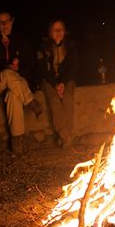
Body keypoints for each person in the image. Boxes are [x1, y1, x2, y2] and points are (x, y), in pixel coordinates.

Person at [0, 9, 43, 153]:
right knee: (7, 74)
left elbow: (30, 63)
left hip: (16, 84)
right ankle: (31, 101)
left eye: (5, 22)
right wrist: (4, 67)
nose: (3, 25)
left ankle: (17, 142)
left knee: (13, 96)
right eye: (0, 23)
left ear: (12, 21)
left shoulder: (21, 39)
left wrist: (17, 71)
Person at [34, 19, 79, 148]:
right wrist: (55, 84)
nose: (59, 32)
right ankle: (66, 136)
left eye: (61, 29)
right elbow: (42, 69)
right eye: (55, 29)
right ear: (50, 32)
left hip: (67, 79)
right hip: (48, 80)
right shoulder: (43, 47)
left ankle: (63, 137)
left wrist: (63, 83)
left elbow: (73, 67)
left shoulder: (70, 45)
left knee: (68, 98)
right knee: (54, 100)